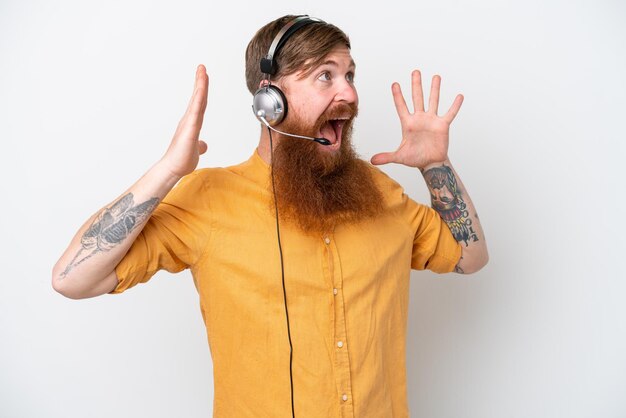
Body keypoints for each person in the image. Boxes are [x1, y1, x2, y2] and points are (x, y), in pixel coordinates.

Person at [52, 14, 488, 418]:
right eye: (325, 76)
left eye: (349, 74)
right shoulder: (209, 199)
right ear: (269, 98)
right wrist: (167, 171)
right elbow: (74, 279)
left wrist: (436, 165)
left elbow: (470, 258)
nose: (350, 93)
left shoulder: (380, 192)